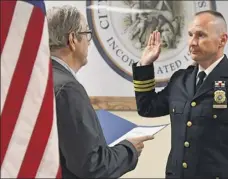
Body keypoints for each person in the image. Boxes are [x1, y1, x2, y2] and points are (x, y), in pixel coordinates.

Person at [132, 10, 228, 179]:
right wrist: (145, 65)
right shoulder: (180, 80)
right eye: (190, 35)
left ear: (222, 40)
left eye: (201, 35)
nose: (192, 42)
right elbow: (147, 108)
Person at [47, 5, 154, 178]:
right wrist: (129, 149)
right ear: (73, 39)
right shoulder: (68, 89)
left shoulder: (41, 79)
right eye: (86, 34)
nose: (89, 42)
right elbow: (92, 166)